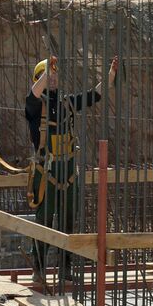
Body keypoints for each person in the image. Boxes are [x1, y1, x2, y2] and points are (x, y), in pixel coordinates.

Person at [25, 53, 118, 287]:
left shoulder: (66, 103)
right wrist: (47, 73)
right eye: (48, 76)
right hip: (46, 173)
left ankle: (65, 268)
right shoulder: (36, 107)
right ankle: (39, 267)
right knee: (44, 221)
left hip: (67, 172)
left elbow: (93, 95)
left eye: (55, 75)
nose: (54, 78)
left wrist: (110, 75)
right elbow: (33, 93)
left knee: (68, 222)